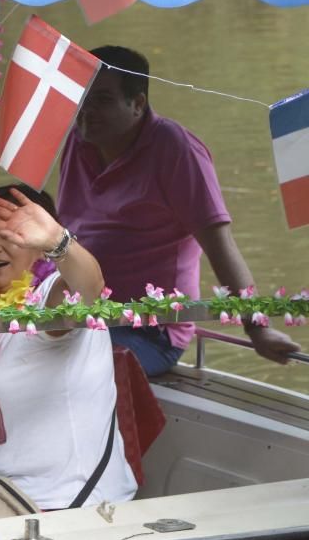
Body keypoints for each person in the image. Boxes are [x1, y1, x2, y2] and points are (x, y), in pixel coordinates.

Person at [58, 45, 301, 376]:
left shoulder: (175, 149)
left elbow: (220, 246)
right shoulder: (79, 139)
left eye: (102, 100)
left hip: (149, 329)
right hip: (79, 312)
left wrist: (257, 328)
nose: (87, 111)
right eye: (82, 98)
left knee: (70, 371)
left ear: (138, 104)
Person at [0, 184, 137, 510]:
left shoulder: (49, 294)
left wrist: (59, 243)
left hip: (68, 508)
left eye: (10, 235)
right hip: (2, 495)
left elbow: (89, 288)